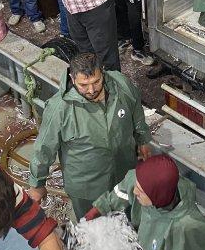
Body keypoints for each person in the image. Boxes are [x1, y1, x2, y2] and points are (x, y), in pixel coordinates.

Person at [28, 52, 153, 219]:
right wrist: (37, 183)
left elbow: (136, 111)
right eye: (83, 85)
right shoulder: (60, 108)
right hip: (86, 186)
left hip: (124, 173)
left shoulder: (121, 85)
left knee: (127, 218)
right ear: (72, 79)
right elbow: (44, 147)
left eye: (96, 81)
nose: (92, 90)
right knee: (93, 228)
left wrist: (143, 139)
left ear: (102, 71)